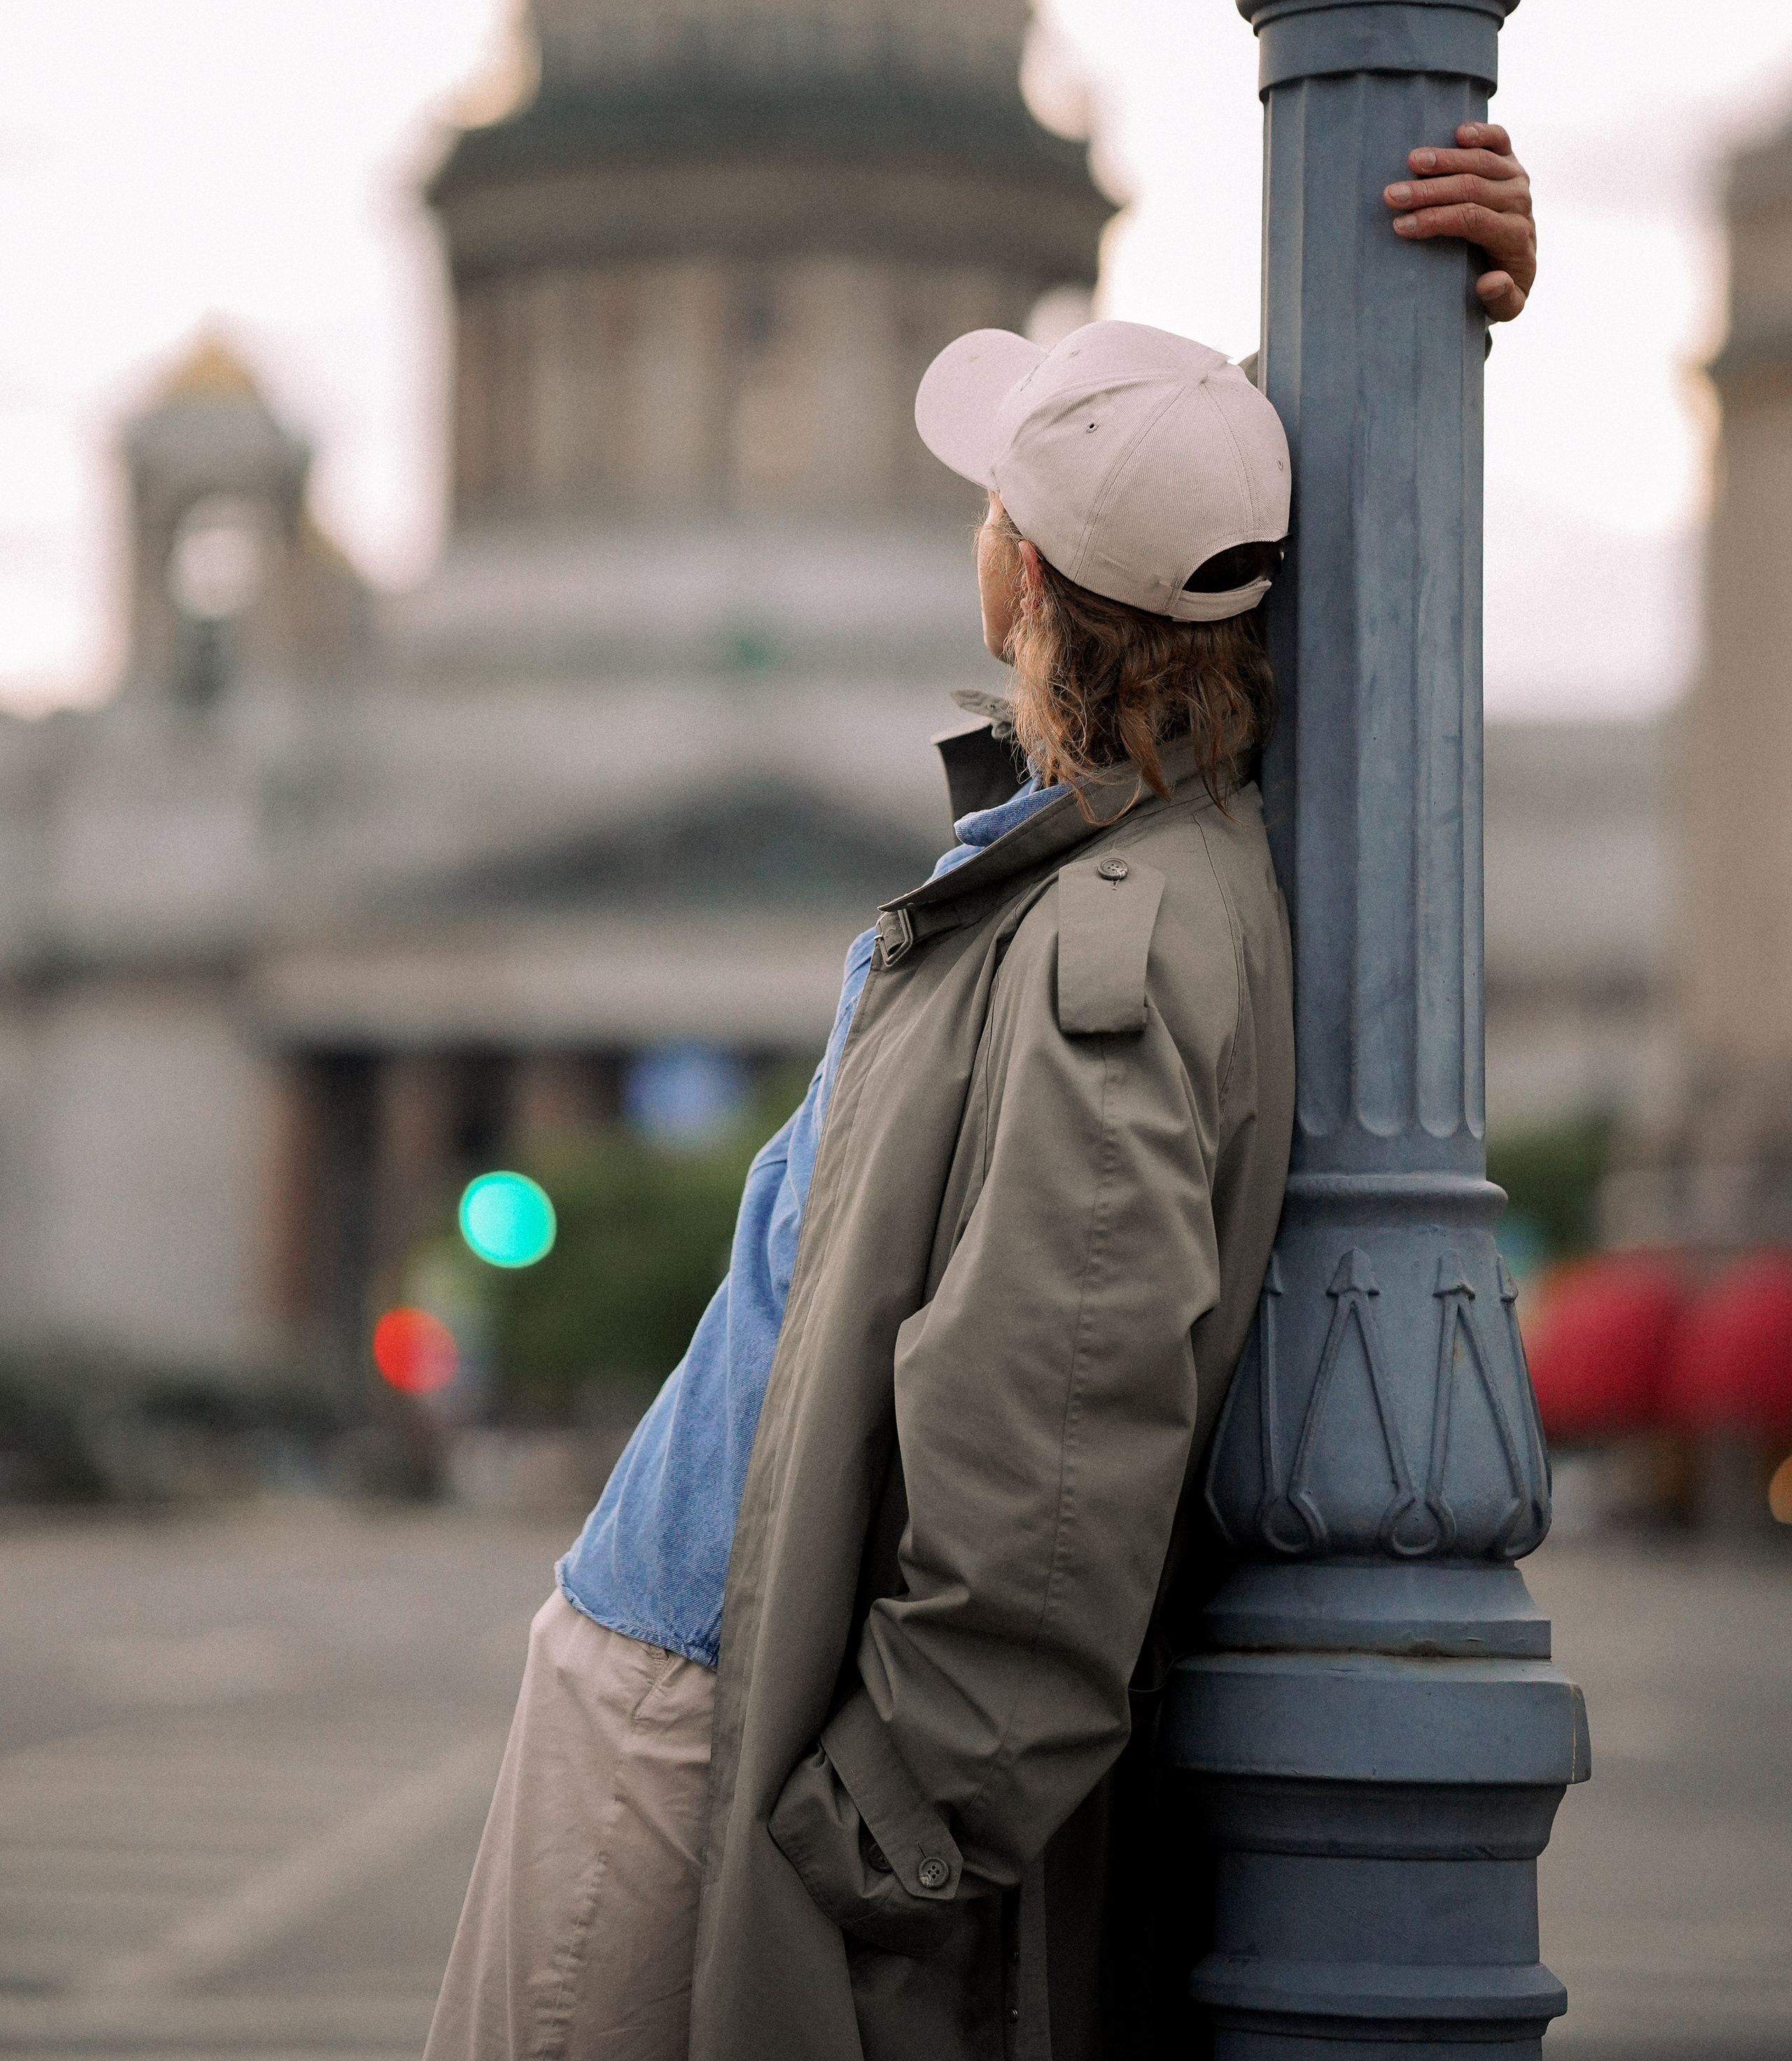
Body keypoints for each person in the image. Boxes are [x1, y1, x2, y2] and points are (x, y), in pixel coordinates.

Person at [425, 123, 1537, 2061]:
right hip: (687, 1647)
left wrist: (873, 1843)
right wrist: (1444, 321)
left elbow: (1046, 1448)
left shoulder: (1115, 926)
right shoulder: (1102, 851)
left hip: (694, 1691)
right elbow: (1228, 513)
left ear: (1018, 562)